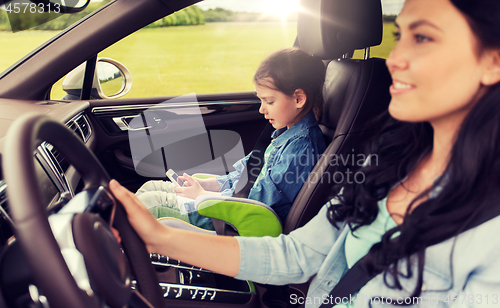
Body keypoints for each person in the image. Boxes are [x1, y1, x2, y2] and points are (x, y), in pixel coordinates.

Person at [109, 0, 500, 306]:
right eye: (400, 36)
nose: (394, 59)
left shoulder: (490, 231)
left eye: (424, 37)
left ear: (493, 60)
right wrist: (159, 236)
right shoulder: (387, 162)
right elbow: (297, 256)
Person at [135, 48, 326, 230]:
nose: (261, 109)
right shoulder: (285, 134)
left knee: (149, 205)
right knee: (150, 187)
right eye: (260, 100)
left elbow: (258, 200)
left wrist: (203, 196)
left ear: (299, 99)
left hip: (232, 220)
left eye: (269, 101)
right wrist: (209, 185)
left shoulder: (301, 148)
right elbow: (246, 175)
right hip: (231, 204)